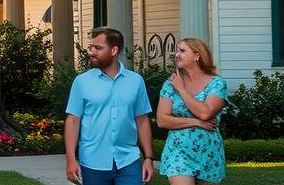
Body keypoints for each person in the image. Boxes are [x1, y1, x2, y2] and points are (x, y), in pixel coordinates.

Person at [65, 27, 157, 185]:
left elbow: (142, 119)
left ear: (114, 50)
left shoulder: (136, 81)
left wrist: (148, 158)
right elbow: (73, 120)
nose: (91, 52)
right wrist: (71, 160)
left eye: (98, 48)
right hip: (92, 161)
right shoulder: (81, 82)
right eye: (91, 47)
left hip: (128, 160)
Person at [156, 38, 227, 185]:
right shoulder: (170, 84)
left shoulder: (217, 83)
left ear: (197, 55)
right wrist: (196, 122)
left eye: (182, 51)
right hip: (178, 150)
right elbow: (162, 120)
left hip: (208, 151)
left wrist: (181, 90)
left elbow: (206, 113)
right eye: (176, 50)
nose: (176, 54)